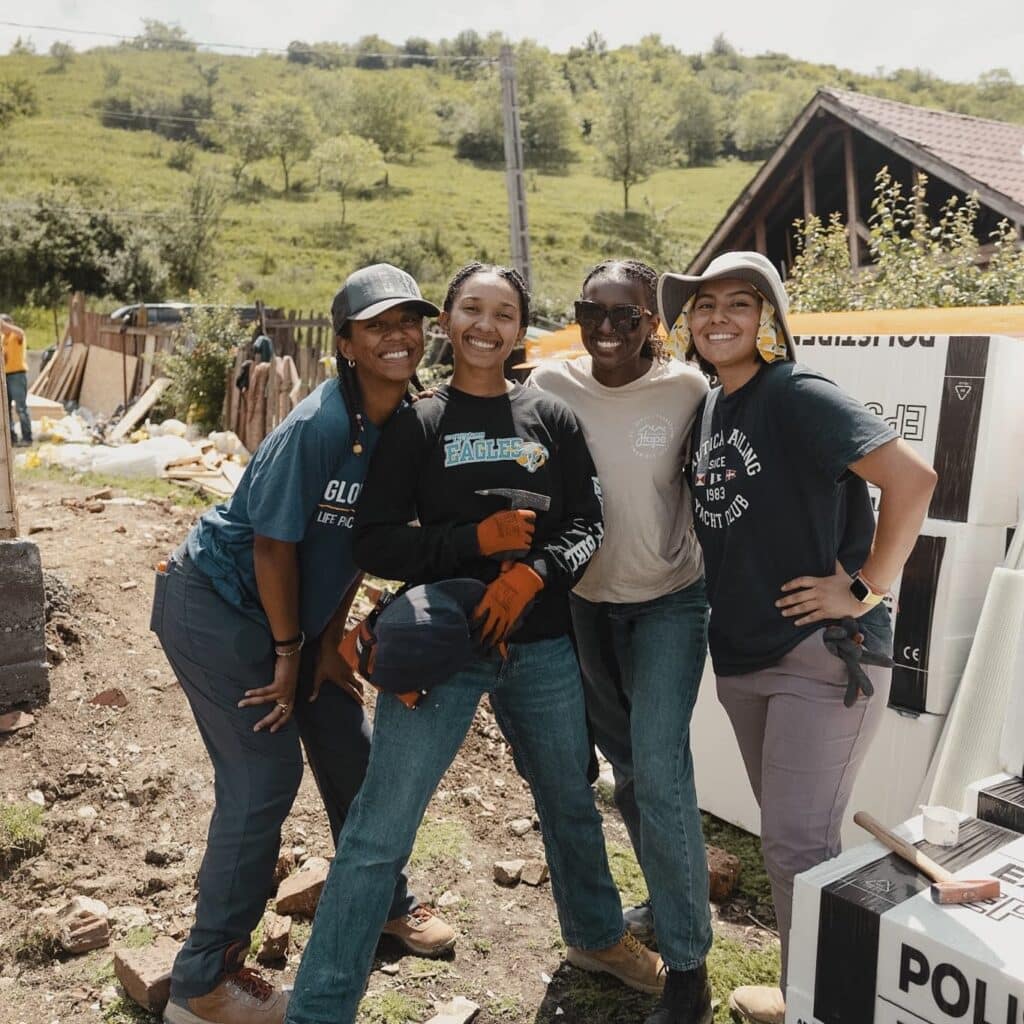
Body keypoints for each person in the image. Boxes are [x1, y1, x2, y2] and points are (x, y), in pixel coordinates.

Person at [286, 262, 665, 1024]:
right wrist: (468, 542)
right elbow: (378, 542)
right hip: (439, 648)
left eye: (502, 313)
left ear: (520, 327)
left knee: (568, 803)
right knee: (379, 831)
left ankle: (595, 935)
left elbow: (587, 524)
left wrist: (535, 574)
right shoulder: (418, 424)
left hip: (544, 648)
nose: (484, 325)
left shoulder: (550, 418)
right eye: (469, 309)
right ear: (449, 322)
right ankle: (321, 1008)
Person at [154, 264, 456, 1024]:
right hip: (219, 607)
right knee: (263, 781)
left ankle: (384, 902)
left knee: (348, 743)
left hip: (294, 621)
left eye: (409, 321)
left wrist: (326, 642)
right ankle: (202, 983)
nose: (398, 336)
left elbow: (357, 547)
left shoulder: (405, 427)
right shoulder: (319, 425)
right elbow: (273, 548)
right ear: (346, 343)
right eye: (377, 325)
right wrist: (291, 653)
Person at [658, 251, 937, 1024]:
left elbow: (913, 481)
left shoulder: (796, 393)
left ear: (770, 319)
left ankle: (823, 1004)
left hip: (822, 659)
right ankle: (805, 986)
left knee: (795, 847)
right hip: (746, 656)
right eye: (703, 305)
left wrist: (863, 587)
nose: (717, 317)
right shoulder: (714, 405)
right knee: (793, 845)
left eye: (737, 304)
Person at [530, 258, 714, 1024]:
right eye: (591, 312)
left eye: (627, 316)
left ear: (654, 324)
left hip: (670, 601)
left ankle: (689, 966)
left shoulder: (688, 391)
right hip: (585, 607)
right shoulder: (548, 385)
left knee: (662, 776)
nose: (607, 329)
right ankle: (666, 900)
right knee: (630, 771)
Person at [1, 314, 32, 447]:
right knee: (5, 410)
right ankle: (11, 438)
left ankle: (27, 438)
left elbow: (20, 332)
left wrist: (3, 323)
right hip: (5, 376)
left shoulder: (16, 336)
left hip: (17, 375)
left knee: (20, 408)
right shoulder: (2, 339)